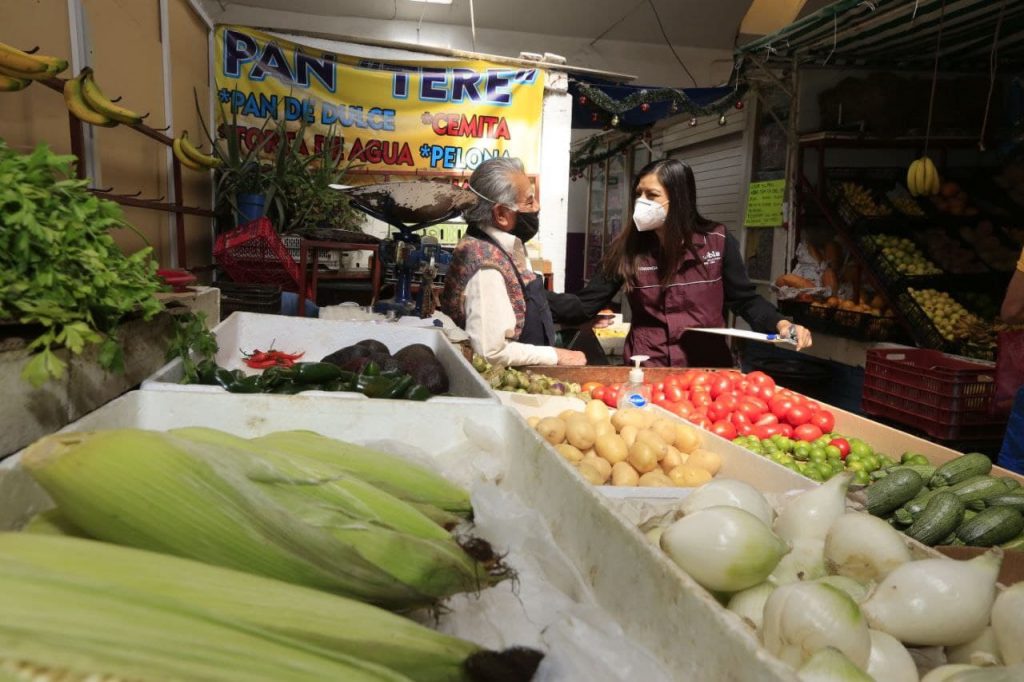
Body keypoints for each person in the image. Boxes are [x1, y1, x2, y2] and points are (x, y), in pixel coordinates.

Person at [548, 158, 811, 367]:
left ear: (679, 200)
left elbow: (744, 299)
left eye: (651, 195)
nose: (641, 202)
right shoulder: (626, 249)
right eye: (638, 194)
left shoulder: (717, 241)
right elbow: (585, 305)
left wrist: (782, 324)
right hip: (648, 366)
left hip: (706, 367)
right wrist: (530, 294)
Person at [441, 158, 586, 368]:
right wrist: (555, 356)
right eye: (529, 201)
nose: (537, 207)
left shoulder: (502, 247)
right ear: (500, 214)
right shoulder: (486, 266)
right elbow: (489, 351)